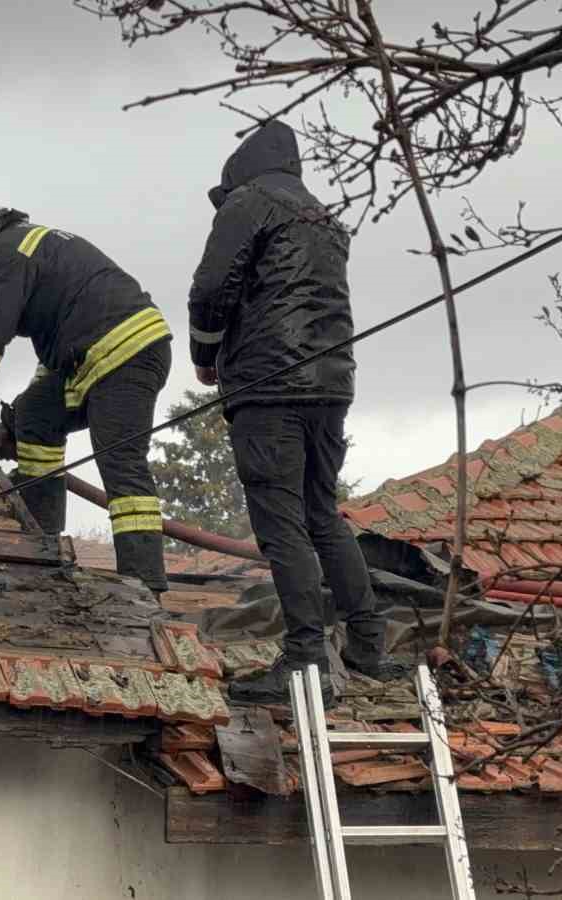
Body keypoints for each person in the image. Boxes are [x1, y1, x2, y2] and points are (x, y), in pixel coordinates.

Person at [186, 123, 405, 704]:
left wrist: (205, 356)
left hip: (269, 386)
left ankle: (305, 663)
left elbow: (211, 287)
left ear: (239, 174)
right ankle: (367, 647)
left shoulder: (248, 202)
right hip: (331, 387)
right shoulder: (324, 218)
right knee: (322, 515)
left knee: (281, 523)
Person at [0, 197, 170, 595]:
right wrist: (11, 425)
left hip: (126, 354)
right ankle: (42, 541)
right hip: (95, 355)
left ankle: (144, 586)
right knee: (37, 416)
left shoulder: (9, 253)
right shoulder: (33, 250)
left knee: (120, 462)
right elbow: (54, 356)